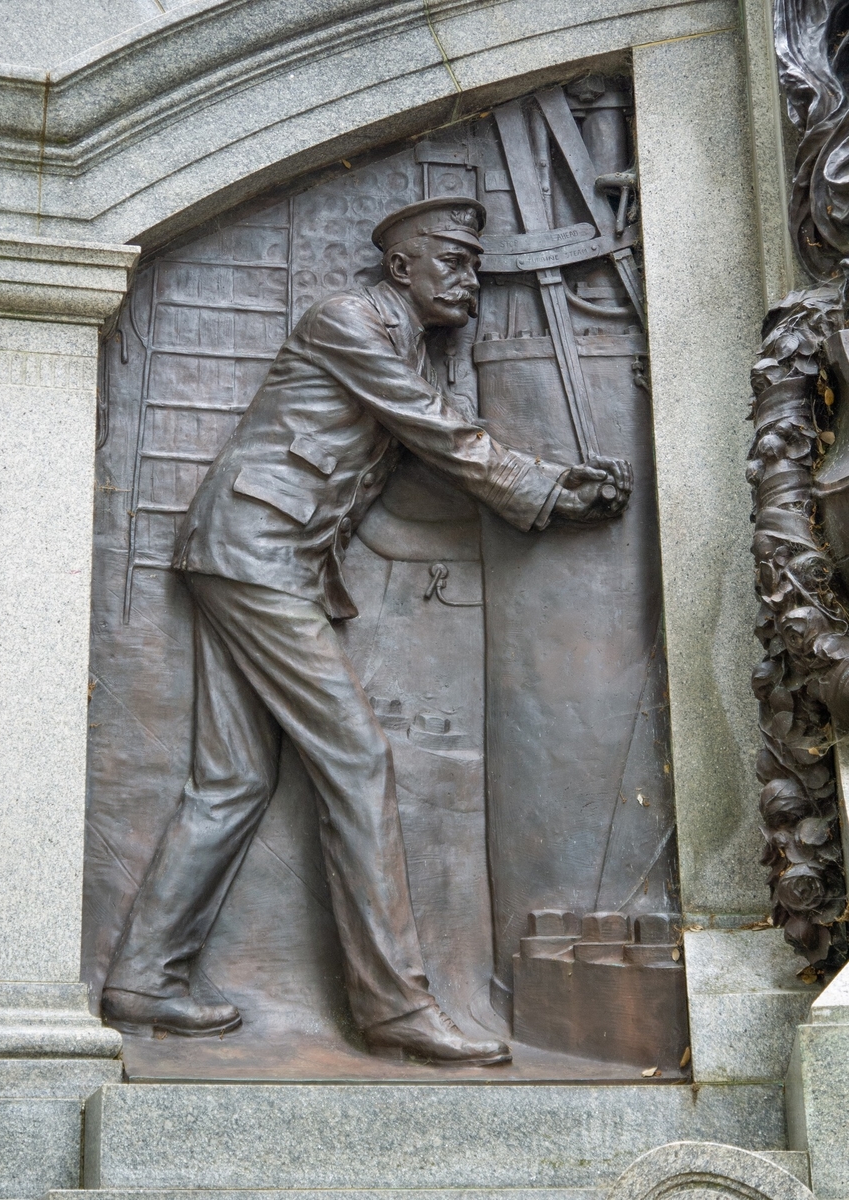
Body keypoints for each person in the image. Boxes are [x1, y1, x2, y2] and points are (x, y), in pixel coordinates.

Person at [102, 196, 633, 1065]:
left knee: (231, 780)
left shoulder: (405, 345)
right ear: (402, 268)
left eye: (473, 263)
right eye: (454, 262)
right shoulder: (349, 321)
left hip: (252, 553)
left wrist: (553, 481)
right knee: (355, 758)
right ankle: (393, 1005)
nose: (470, 280)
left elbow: (433, 448)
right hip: (257, 552)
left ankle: (145, 976)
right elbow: (435, 434)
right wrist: (540, 488)